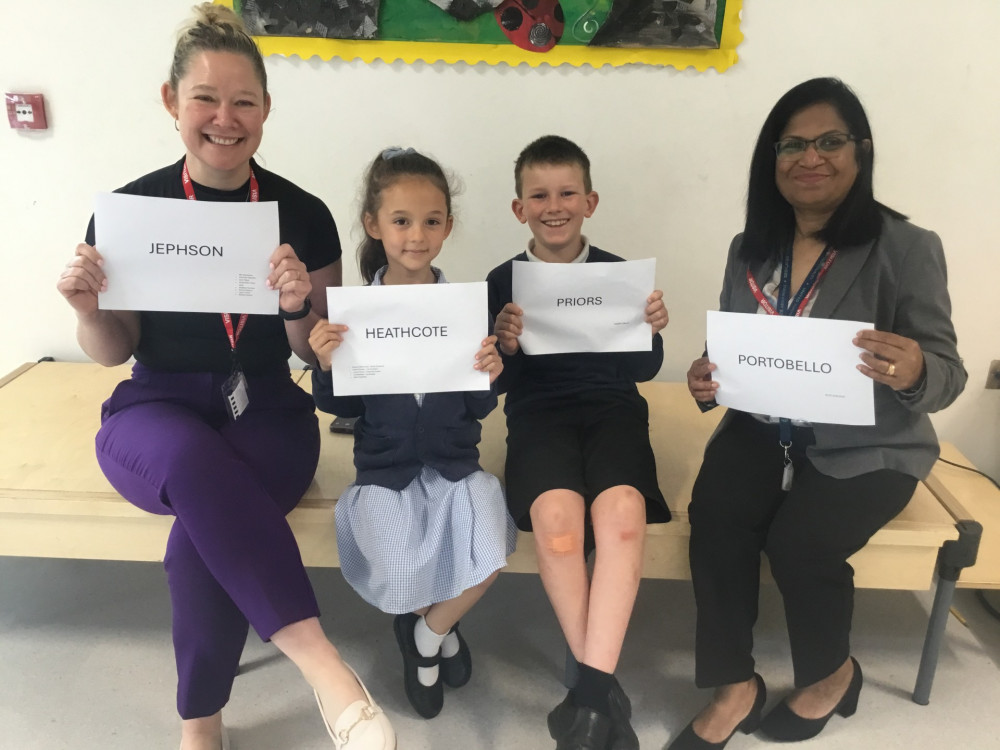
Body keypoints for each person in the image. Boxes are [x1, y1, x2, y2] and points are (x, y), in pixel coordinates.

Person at [55, 5, 394, 750]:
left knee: (195, 536)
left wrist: (299, 304)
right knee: (186, 458)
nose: (225, 118)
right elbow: (113, 349)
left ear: (266, 109)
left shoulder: (301, 214)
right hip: (157, 406)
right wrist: (87, 311)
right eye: (205, 98)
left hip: (266, 407)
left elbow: (316, 352)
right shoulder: (131, 210)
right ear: (172, 102)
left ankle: (200, 723)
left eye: (244, 101)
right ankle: (325, 667)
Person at [672, 77, 967, 749]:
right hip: (761, 427)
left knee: (801, 544)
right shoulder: (749, 246)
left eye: (830, 141)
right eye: (792, 144)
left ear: (860, 152)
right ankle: (733, 686)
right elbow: (736, 349)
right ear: (771, 160)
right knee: (716, 518)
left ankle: (833, 676)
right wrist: (706, 376)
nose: (811, 157)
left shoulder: (906, 246)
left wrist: (918, 369)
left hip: (871, 442)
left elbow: (948, 372)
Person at [308, 148, 518, 721]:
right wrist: (325, 366)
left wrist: (493, 374)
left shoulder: (467, 307)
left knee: (492, 545)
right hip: (385, 469)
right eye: (400, 221)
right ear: (375, 226)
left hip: (455, 464)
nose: (416, 236)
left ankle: (426, 637)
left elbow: (478, 405)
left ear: (448, 225)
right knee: (403, 565)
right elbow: (341, 406)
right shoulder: (356, 313)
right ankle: (437, 628)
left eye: (431, 221)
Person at [486, 135, 671, 750]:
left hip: (614, 411)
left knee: (621, 516)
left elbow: (644, 372)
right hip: (539, 416)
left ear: (590, 201)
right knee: (558, 521)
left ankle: (587, 698)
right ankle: (600, 695)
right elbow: (494, 385)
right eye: (538, 195)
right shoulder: (502, 280)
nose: (554, 205)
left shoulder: (620, 275)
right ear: (519, 209)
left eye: (567, 193)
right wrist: (505, 347)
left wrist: (651, 331)